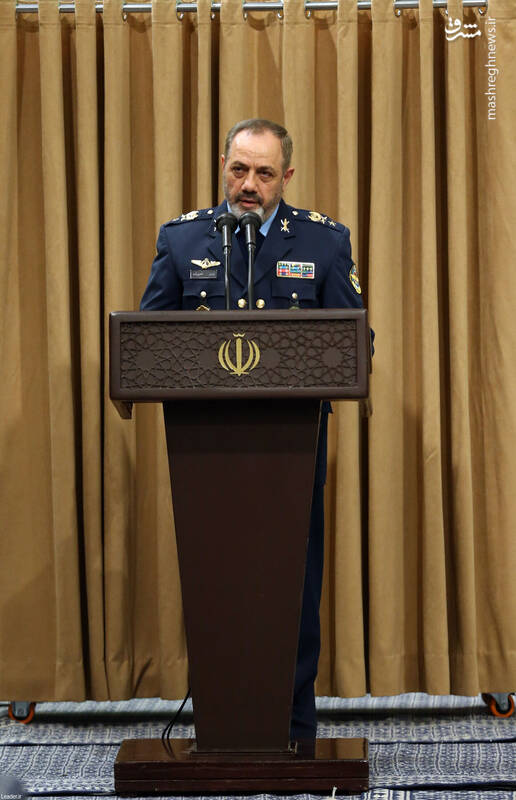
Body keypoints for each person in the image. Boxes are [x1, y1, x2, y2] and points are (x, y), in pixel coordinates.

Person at [141, 118, 364, 740]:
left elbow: (355, 341)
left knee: (292, 586)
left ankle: (292, 727)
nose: (249, 185)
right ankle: (221, 728)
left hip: (291, 450)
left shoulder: (323, 242)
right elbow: (147, 341)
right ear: (223, 166)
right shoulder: (183, 240)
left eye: (264, 174)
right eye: (239, 169)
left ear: (285, 177)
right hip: (204, 451)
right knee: (217, 584)